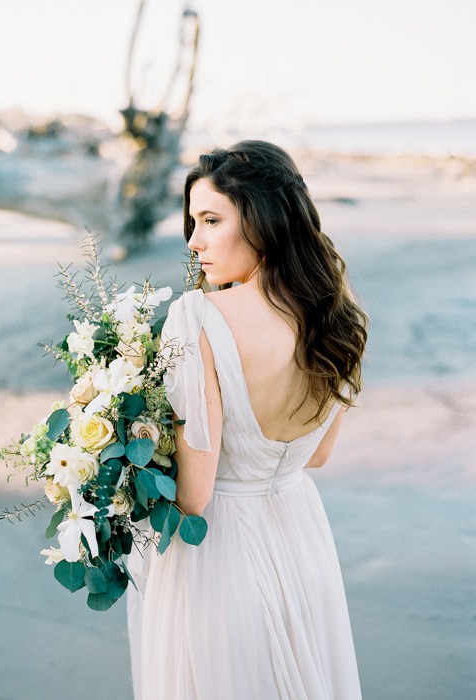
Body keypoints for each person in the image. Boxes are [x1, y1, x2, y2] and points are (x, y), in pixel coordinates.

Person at [127, 140, 368, 699]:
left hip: (219, 550)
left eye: (211, 220)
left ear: (262, 221)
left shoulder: (199, 318)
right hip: (301, 532)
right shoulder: (340, 316)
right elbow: (319, 455)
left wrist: (121, 462)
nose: (194, 242)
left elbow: (194, 496)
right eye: (193, 222)